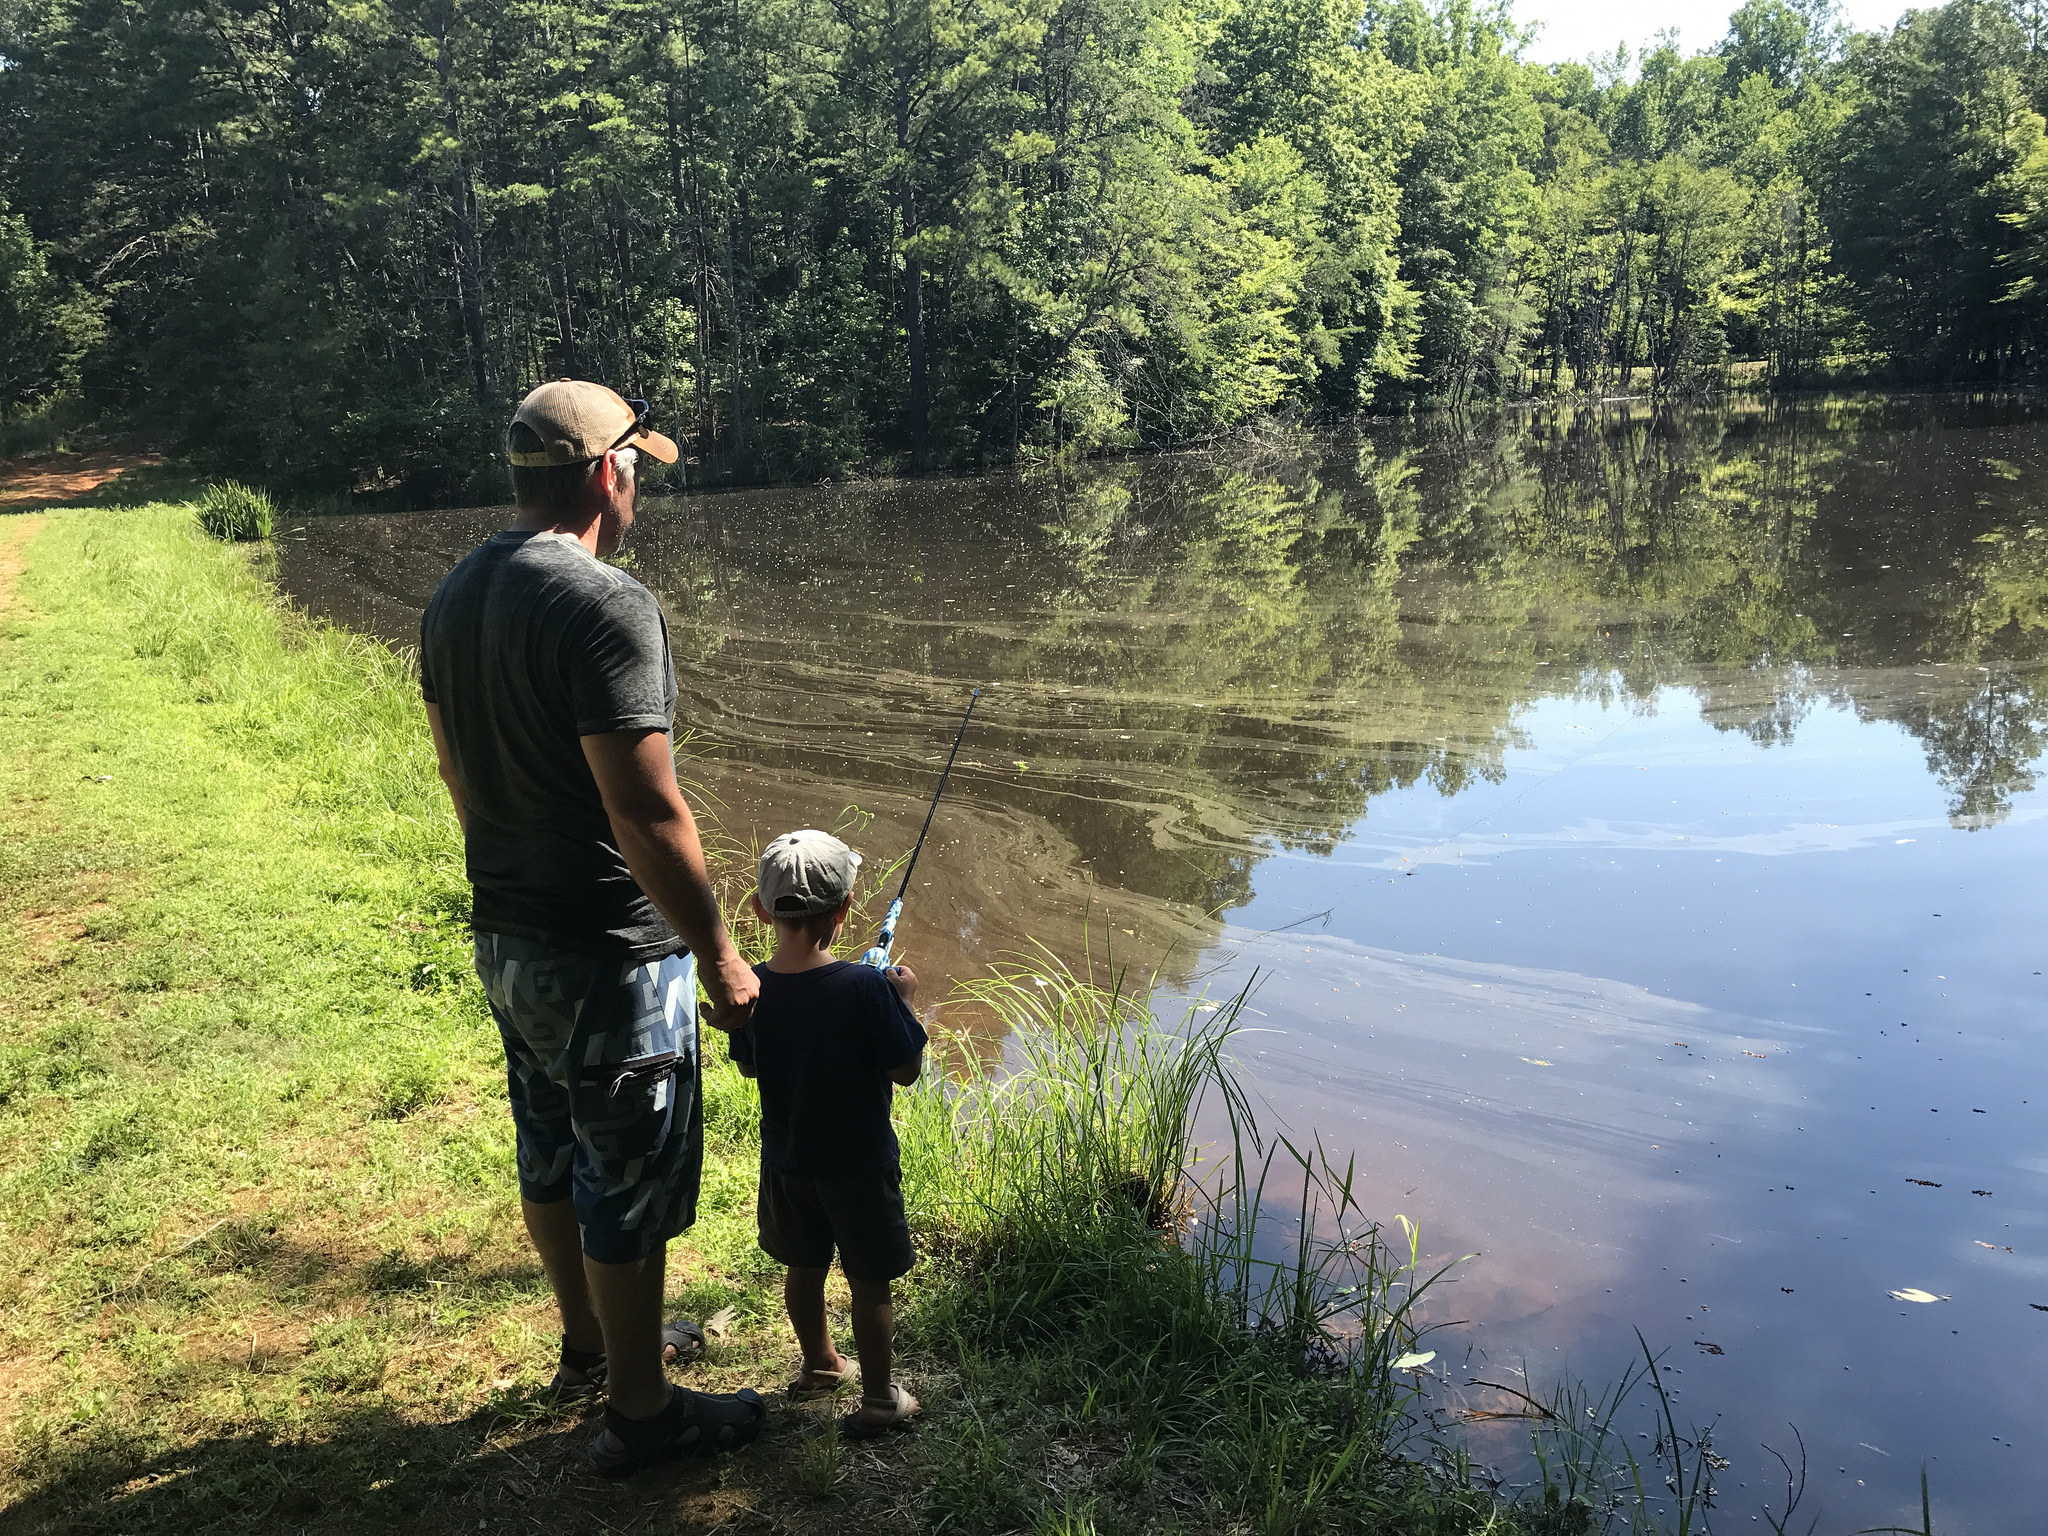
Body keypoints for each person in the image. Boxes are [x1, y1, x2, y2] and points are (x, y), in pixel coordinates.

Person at [419, 380, 764, 1475]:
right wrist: (717, 952)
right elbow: (645, 807)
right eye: (638, 471)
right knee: (626, 1168)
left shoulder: (456, 593)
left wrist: (514, 867)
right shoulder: (604, 603)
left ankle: (588, 1347)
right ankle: (642, 1408)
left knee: (551, 1142)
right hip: (608, 952)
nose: (639, 491)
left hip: (507, 934)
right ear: (609, 473)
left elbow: (456, 772)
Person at [727, 830, 927, 1438]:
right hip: (859, 1168)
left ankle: (819, 1364)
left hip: (788, 1162)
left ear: (761, 910)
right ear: (844, 912)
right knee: (869, 1282)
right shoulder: (867, 988)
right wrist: (906, 1000)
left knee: (803, 1266)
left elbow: (751, 1062)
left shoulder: (752, 988)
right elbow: (906, 1070)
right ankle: (877, 1400)